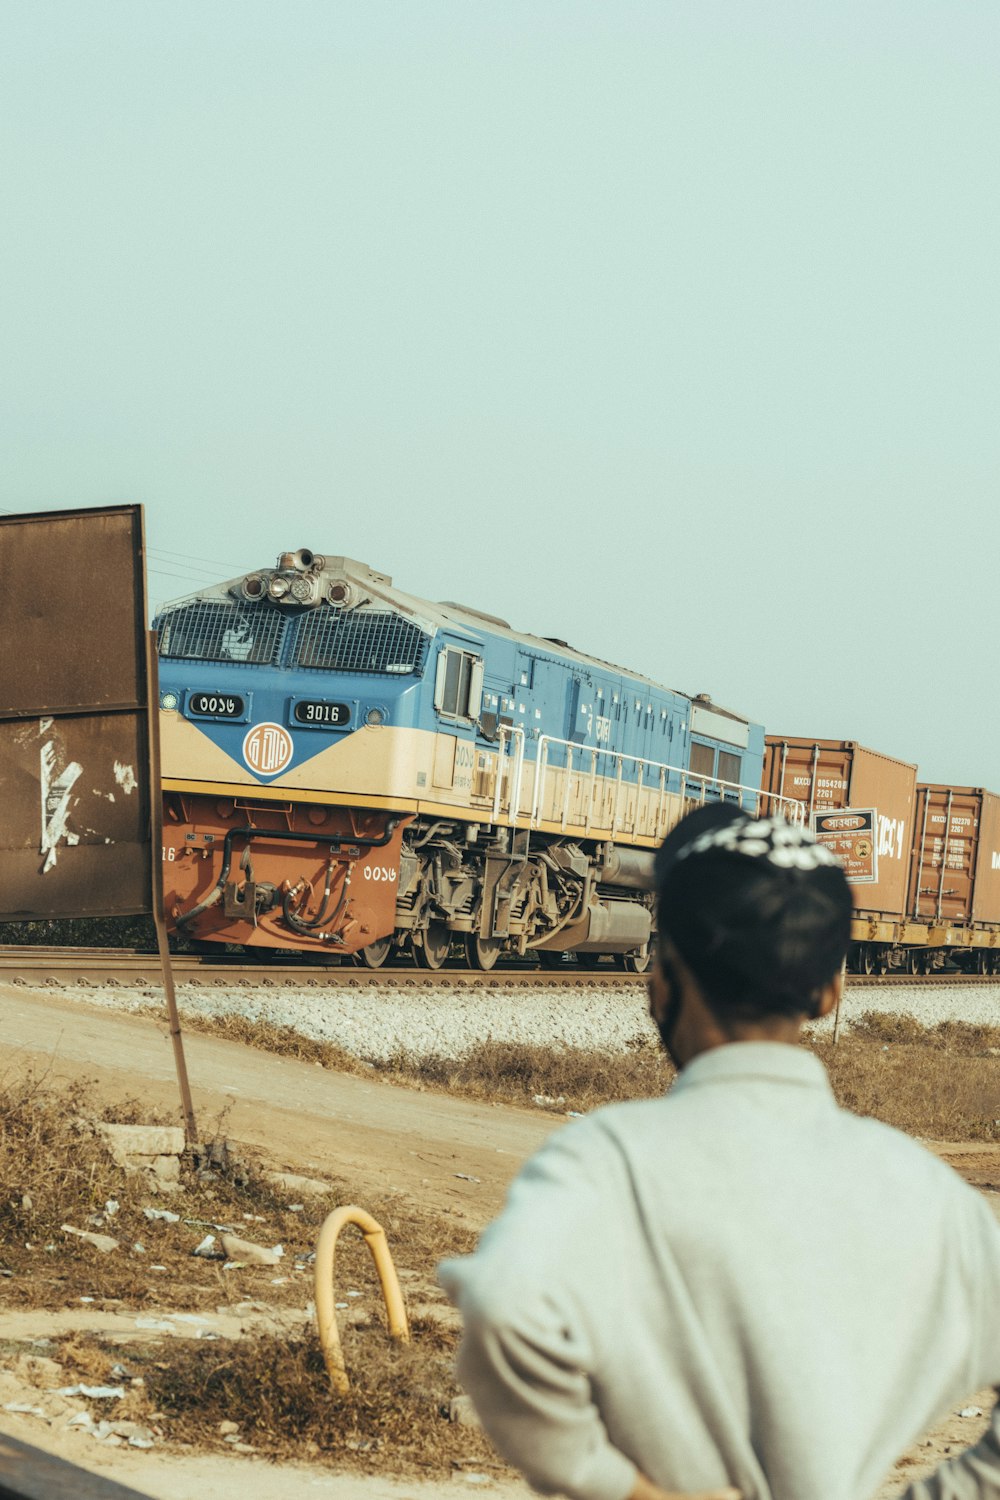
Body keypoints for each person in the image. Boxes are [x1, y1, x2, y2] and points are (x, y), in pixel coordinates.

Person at [439, 804, 1000, 1500]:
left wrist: (622, 1486)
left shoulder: (605, 1161)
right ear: (831, 990)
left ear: (662, 976)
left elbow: (502, 1303)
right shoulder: (936, 1199)